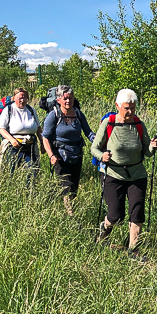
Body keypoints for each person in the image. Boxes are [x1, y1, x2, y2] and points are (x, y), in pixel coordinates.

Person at [91, 89, 157, 260]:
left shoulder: (138, 124)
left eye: (133, 108)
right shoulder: (108, 123)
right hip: (113, 174)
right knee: (116, 216)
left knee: (137, 212)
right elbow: (94, 148)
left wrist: (152, 147)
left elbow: (147, 152)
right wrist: (102, 156)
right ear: (117, 106)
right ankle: (104, 230)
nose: (130, 112)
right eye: (126, 108)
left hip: (137, 174)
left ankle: (133, 251)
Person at [41, 85, 96, 216]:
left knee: (74, 188)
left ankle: (70, 211)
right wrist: (51, 155)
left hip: (76, 154)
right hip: (59, 156)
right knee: (66, 186)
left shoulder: (78, 114)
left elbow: (88, 132)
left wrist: (98, 141)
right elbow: (45, 137)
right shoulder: (53, 115)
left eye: (70, 98)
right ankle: (71, 215)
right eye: (65, 98)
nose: (68, 101)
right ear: (59, 100)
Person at [0, 87, 42, 182]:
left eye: (24, 97)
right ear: (14, 98)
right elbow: (1, 129)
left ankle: (30, 190)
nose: (22, 100)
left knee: (32, 172)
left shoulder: (31, 110)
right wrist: (12, 140)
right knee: (12, 173)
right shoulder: (8, 110)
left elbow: (38, 128)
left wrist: (42, 143)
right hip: (14, 147)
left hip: (30, 146)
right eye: (19, 98)